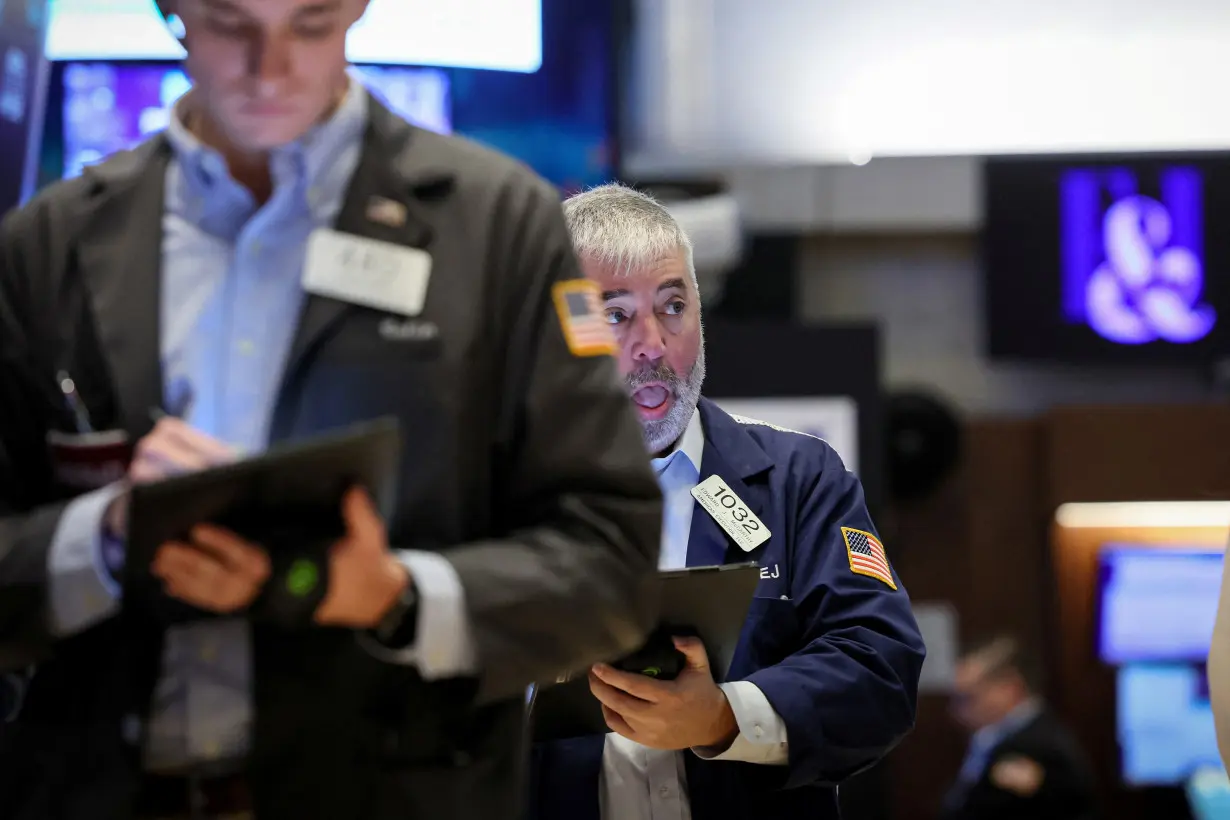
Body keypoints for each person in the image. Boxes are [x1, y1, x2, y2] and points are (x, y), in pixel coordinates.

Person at [0, 1, 664, 818]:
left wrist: (397, 595)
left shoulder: (496, 227)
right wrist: (100, 540)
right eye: (229, 24)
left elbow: (610, 562)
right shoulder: (47, 244)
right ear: (171, 9)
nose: (269, 66)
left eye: (309, 24)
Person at [526, 183, 926, 820]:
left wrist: (723, 718)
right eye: (617, 314)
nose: (653, 345)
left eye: (673, 305)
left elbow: (881, 668)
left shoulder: (798, 480)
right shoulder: (490, 497)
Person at [941, 636, 1098, 820]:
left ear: (1010, 688)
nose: (955, 711)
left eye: (967, 699)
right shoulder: (996, 739)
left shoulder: (1039, 748)